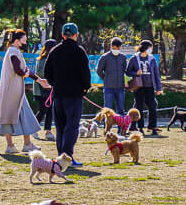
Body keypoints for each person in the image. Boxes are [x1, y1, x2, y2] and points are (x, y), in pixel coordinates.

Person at [43, 23, 94, 164]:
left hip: (58, 94)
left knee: (60, 126)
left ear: (62, 35)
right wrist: (84, 89)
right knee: (72, 126)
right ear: (76, 35)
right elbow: (85, 73)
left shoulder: (54, 50)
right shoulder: (79, 51)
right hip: (74, 95)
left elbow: (47, 72)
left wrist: (55, 84)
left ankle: (60, 155)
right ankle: (67, 156)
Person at [0, 28, 40, 154]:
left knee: (12, 115)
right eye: (24, 38)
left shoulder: (12, 51)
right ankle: (24, 144)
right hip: (13, 91)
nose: (25, 41)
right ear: (17, 40)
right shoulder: (14, 51)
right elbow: (19, 70)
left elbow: (24, 69)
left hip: (12, 90)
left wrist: (39, 80)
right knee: (20, 114)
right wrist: (25, 74)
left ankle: (20, 144)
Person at [125, 39, 163, 134]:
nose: (151, 50)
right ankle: (140, 127)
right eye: (150, 48)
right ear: (145, 48)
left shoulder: (152, 59)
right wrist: (135, 73)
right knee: (139, 107)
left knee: (152, 106)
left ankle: (153, 127)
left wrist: (158, 88)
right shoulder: (134, 58)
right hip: (139, 86)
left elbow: (156, 74)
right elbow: (128, 71)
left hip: (150, 86)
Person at [96, 37, 129, 116]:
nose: (116, 49)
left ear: (120, 47)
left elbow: (126, 70)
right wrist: (105, 79)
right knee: (107, 109)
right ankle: (106, 128)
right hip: (108, 88)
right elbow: (99, 70)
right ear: (111, 46)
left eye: (118, 47)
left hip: (120, 88)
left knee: (121, 109)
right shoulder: (104, 57)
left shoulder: (123, 57)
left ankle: (121, 128)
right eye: (114, 47)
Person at [33, 38, 58, 138]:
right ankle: (33, 130)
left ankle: (48, 131)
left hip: (51, 88)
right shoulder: (42, 59)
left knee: (50, 110)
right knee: (43, 110)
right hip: (41, 89)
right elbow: (39, 73)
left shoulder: (56, 59)